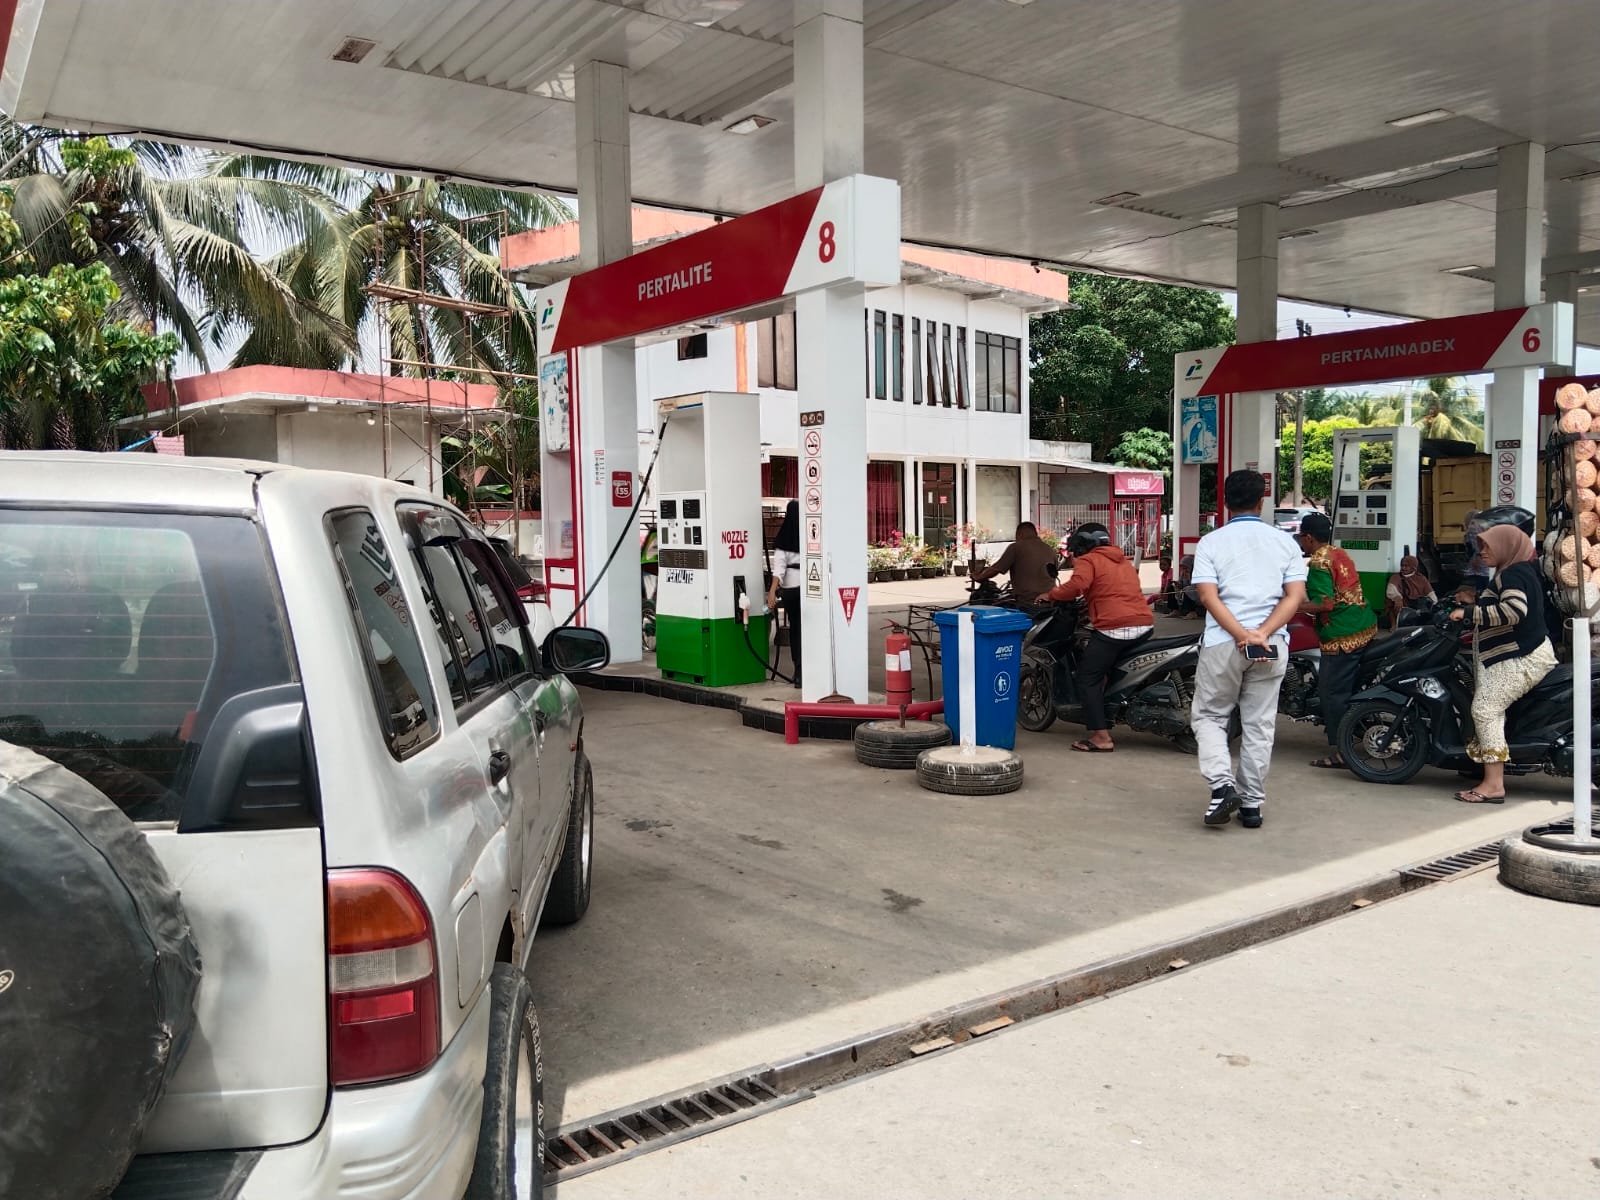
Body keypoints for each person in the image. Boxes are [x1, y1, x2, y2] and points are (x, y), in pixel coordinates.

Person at [1189, 470, 1308, 829]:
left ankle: (1222, 786)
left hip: (1223, 644)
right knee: (1260, 724)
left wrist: (1241, 634)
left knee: (1210, 716)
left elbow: (1207, 597)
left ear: (1225, 502)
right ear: (1261, 501)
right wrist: (1262, 633)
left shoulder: (1211, 542)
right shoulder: (1285, 543)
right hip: (1270, 646)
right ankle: (1252, 805)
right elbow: (1295, 597)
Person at [1448, 525, 1556, 804]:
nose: (1481, 552)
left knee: (1485, 709)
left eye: (1487, 546)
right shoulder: (1514, 571)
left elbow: (1513, 611)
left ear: (1506, 546)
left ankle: (1494, 785)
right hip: (1520, 651)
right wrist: (1474, 599)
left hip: (1524, 656)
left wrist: (1469, 612)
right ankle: (1482, 766)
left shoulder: (1513, 574)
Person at [1041, 522, 1154, 752]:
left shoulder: (1089, 560)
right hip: (1143, 624)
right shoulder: (1122, 560)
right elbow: (1110, 589)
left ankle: (1101, 737)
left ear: (1083, 546)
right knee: (1107, 666)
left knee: (1087, 677)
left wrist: (1051, 594)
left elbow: (1078, 585)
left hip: (1116, 628)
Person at [1296, 513, 1377, 769]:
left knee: (1332, 693)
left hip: (1342, 635)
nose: (1301, 542)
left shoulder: (1318, 562)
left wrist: (1293, 607)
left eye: (1301, 537)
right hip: (1363, 625)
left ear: (1309, 538)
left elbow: (1325, 603)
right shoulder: (1338, 553)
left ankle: (1344, 752)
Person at [970, 521, 1059, 604]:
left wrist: (979, 577)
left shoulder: (1015, 547)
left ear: (1020, 534)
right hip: (1050, 598)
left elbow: (996, 569)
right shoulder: (1050, 549)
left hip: (1027, 599)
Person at [765, 501, 803, 688]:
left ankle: (799, 672)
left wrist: (772, 591)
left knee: (796, 630)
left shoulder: (783, 539)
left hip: (790, 591)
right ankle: (812, 668)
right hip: (810, 591)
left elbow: (778, 571)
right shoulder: (809, 536)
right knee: (809, 630)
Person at [1385, 554, 1436, 627]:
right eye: (1402, 566)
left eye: (1406, 566)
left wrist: (1434, 604)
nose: (1403, 568)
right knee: (1390, 602)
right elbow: (1391, 590)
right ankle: (1394, 624)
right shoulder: (1396, 577)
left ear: (1413, 567)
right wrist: (1397, 598)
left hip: (1417, 603)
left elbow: (1430, 593)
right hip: (1403, 603)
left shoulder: (1421, 578)